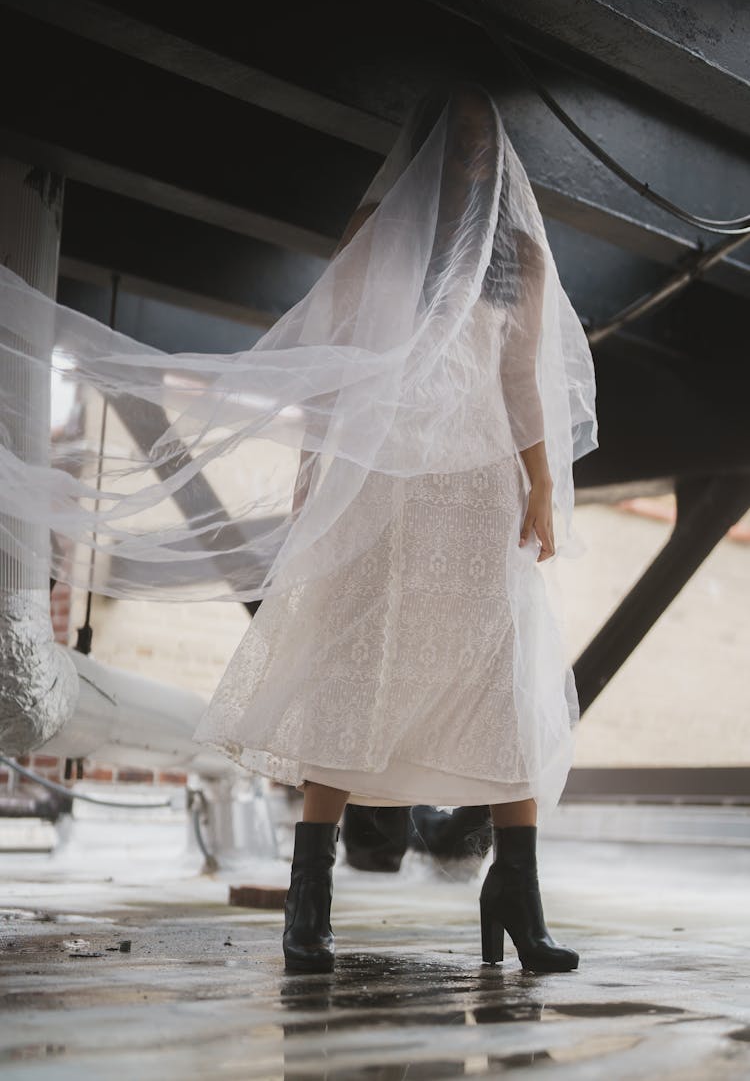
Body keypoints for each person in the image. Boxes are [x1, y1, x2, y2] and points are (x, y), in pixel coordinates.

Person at [0, 78, 597, 976]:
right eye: (459, 139)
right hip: (389, 474)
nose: (472, 158)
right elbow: (339, 361)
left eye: (485, 142)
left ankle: (517, 893)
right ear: (430, 145)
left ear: (498, 156)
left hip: (480, 485)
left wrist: (544, 482)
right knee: (360, 667)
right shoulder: (382, 237)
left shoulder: (521, 255)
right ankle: (307, 902)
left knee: (502, 675)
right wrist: (315, 468)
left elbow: (523, 380)